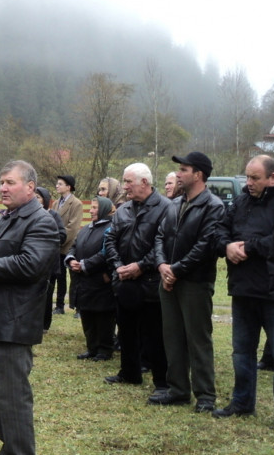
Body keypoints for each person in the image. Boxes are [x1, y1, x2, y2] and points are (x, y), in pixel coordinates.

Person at [0, 160, 58, 455]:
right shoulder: (5, 218)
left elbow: (31, 264)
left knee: (13, 398)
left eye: (10, 182)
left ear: (30, 187)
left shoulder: (41, 221)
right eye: (1, 182)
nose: (3, 188)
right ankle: (11, 447)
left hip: (14, 324)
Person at [150, 152, 224, 412]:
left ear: (198, 175)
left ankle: (205, 395)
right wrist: (162, 266)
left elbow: (205, 246)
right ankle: (178, 390)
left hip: (195, 282)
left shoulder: (213, 206)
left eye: (183, 169)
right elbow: (160, 237)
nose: (178, 174)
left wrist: (176, 271)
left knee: (198, 339)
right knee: (172, 337)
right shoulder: (173, 204)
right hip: (169, 280)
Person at [213, 154, 274, 422]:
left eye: (255, 178)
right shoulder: (240, 202)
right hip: (242, 290)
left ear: (273, 178)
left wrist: (246, 247)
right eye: (248, 176)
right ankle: (241, 403)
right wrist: (226, 246)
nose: (249, 182)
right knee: (242, 352)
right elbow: (219, 230)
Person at [103, 162, 170, 396]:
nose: (124, 186)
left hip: (151, 283)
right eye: (124, 181)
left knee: (155, 336)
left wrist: (141, 266)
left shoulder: (165, 208)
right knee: (127, 330)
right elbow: (110, 240)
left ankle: (163, 382)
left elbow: (165, 244)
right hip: (124, 281)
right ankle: (129, 373)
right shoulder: (123, 209)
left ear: (145, 182)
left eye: (128, 181)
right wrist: (118, 266)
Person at [65, 197, 116, 360]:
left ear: (104, 210)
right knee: (87, 313)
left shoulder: (111, 228)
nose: (91, 210)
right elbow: (74, 245)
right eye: (91, 207)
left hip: (101, 280)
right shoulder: (86, 228)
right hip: (84, 281)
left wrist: (85, 264)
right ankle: (92, 347)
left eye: (95, 208)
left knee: (102, 316)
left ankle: (104, 349)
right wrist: (71, 259)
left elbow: (105, 252)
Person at [36, 187, 67, 332]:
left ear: (45, 200)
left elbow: (62, 235)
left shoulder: (53, 215)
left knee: (47, 294)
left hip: (49, 261)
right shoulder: (29, 215)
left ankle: (44, 324)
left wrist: (45, 239)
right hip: (33, 261)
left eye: (39, 197)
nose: (36, 199)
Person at [51, 175, 81, 314]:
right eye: (57, 184)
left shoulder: (76, 204)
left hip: (68, 246)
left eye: (60, 184)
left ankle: (77, 307)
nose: (57, 186)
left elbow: (73, 227)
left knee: (74, 277)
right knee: (59, 277)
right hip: (56, 246)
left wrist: (59, 239)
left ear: (68, 187)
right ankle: (59, 306)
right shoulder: (56, 203)